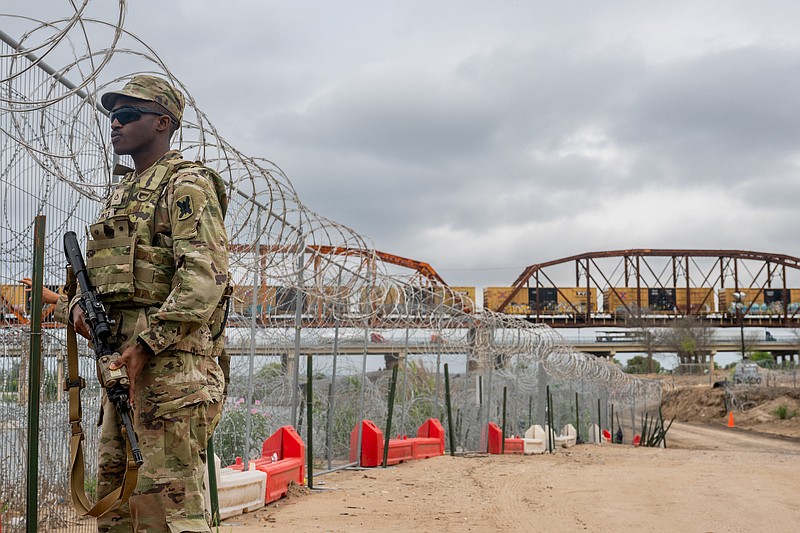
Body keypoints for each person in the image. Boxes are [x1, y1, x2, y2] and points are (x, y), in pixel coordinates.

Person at [67, 75, 230, 532]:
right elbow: (102, 278)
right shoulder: (122, 193)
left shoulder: (187, 186)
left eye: (126, 116)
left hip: (171, 375)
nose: (114, 125)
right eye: (111, 117)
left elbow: (204, 279)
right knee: (115, 510)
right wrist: (79, 304)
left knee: (167, 515)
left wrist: (147, 345)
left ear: (163, 122)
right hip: (122, 370)